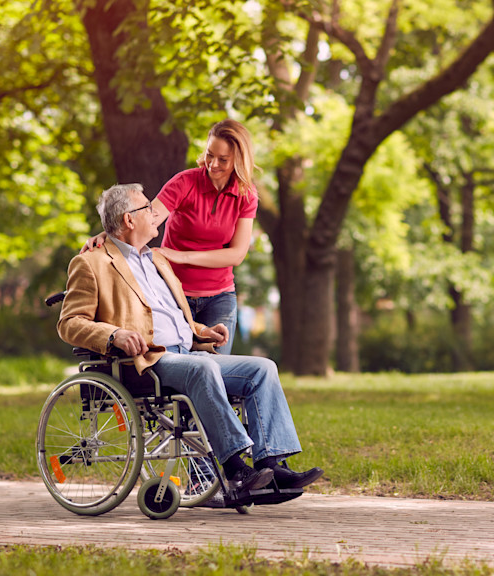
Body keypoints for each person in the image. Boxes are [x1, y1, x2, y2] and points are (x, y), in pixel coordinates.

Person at [60, 183, 321, 503]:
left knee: (262, 369)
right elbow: (70, 323)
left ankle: (271, 466)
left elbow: (170, 315)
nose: (156, 215)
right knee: (202, 369)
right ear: (129, 220)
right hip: (147, 361)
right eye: (147, 209)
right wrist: (114, 335)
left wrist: (201, 331)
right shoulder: (91, 263)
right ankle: (237, 469)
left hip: (188, 354)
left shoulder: (157, 260)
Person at [82, 119, 259, 355]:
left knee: (220, 370)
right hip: (174, 293)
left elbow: (236, 255)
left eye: (223, 160)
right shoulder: (185, 182)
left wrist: (181, 256)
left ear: (239, 160)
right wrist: (109, 231)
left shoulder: (246, 196)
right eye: (209, 155)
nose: (213, 164)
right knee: (184, 374)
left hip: (219, 297)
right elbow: (145, 217)